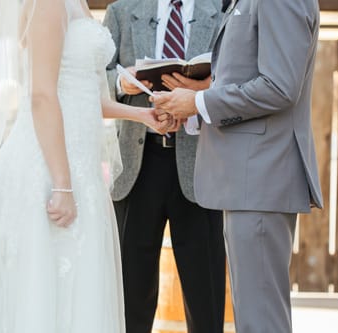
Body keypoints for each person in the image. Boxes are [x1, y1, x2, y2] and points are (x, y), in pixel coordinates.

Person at [0, 0, 176, 331]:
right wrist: (62, 184)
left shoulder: (78, 5)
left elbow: (82, 95)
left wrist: (141, 116)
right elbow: (41, 96)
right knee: (36, 277)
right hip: (48, 167)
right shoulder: (48, 3)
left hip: (80, 169)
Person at [152, 0, 324, 332]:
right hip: (249, 180)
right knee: (252, 318)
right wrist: (199, 94)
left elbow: (279, 87)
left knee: (261, 320)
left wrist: (200, 102)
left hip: (261, 176)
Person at [103, 1, 226, 332]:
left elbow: (233, 79)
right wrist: (121, 82)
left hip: (200, 165)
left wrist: (199, 92)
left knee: (205, 293)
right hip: (137, 165)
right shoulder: (121, 11)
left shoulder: (222, 11)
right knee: (131, 291)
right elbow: (93, 76)